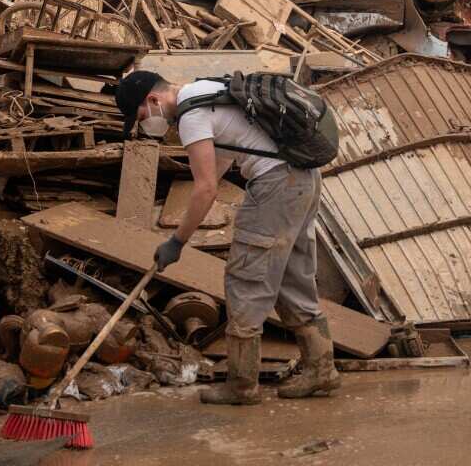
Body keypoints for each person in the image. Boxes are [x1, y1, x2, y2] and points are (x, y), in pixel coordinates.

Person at [114, 70, 340, 405]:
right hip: (303, 179)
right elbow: (221, 163)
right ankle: (321, 369)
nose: (145, 124)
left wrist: (176, 241)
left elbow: (206, 189)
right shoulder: (207, 89)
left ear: (152, 99)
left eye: (142, 116)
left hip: (275, 186)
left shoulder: (191, 116)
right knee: (293, 276)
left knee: (245, 279)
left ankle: (241, 384)